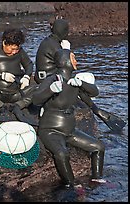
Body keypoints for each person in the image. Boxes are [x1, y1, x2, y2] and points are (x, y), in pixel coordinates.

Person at [33, 49, 106, 188]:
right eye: (73, 58)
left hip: (70, 130)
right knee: (62, 153)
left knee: (99, 147)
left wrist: (81, 84)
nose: (76, 61)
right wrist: (50, 90)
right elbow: (36, 99)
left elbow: (94, 92)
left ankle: (97, 179)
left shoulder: (74, 82)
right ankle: (71, 184)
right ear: (64, 61)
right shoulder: (52, 79)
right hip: (51, 130)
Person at [0, 28, 39, 123]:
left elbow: (29, 65)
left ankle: (18, 106)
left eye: (17, 49)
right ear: (4, 43)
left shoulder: (20, 52)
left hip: (15, 93)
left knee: (38, 88)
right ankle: (0, 106)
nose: (14, 52)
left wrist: (26, 77)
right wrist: (2, 75)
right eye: (12, 49)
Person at [34, 18, 70, 84]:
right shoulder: (55, 46)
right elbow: (66, 65)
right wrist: (66, 51)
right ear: (63, 31)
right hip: (49, 78)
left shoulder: (47, 41)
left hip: (41, 77)